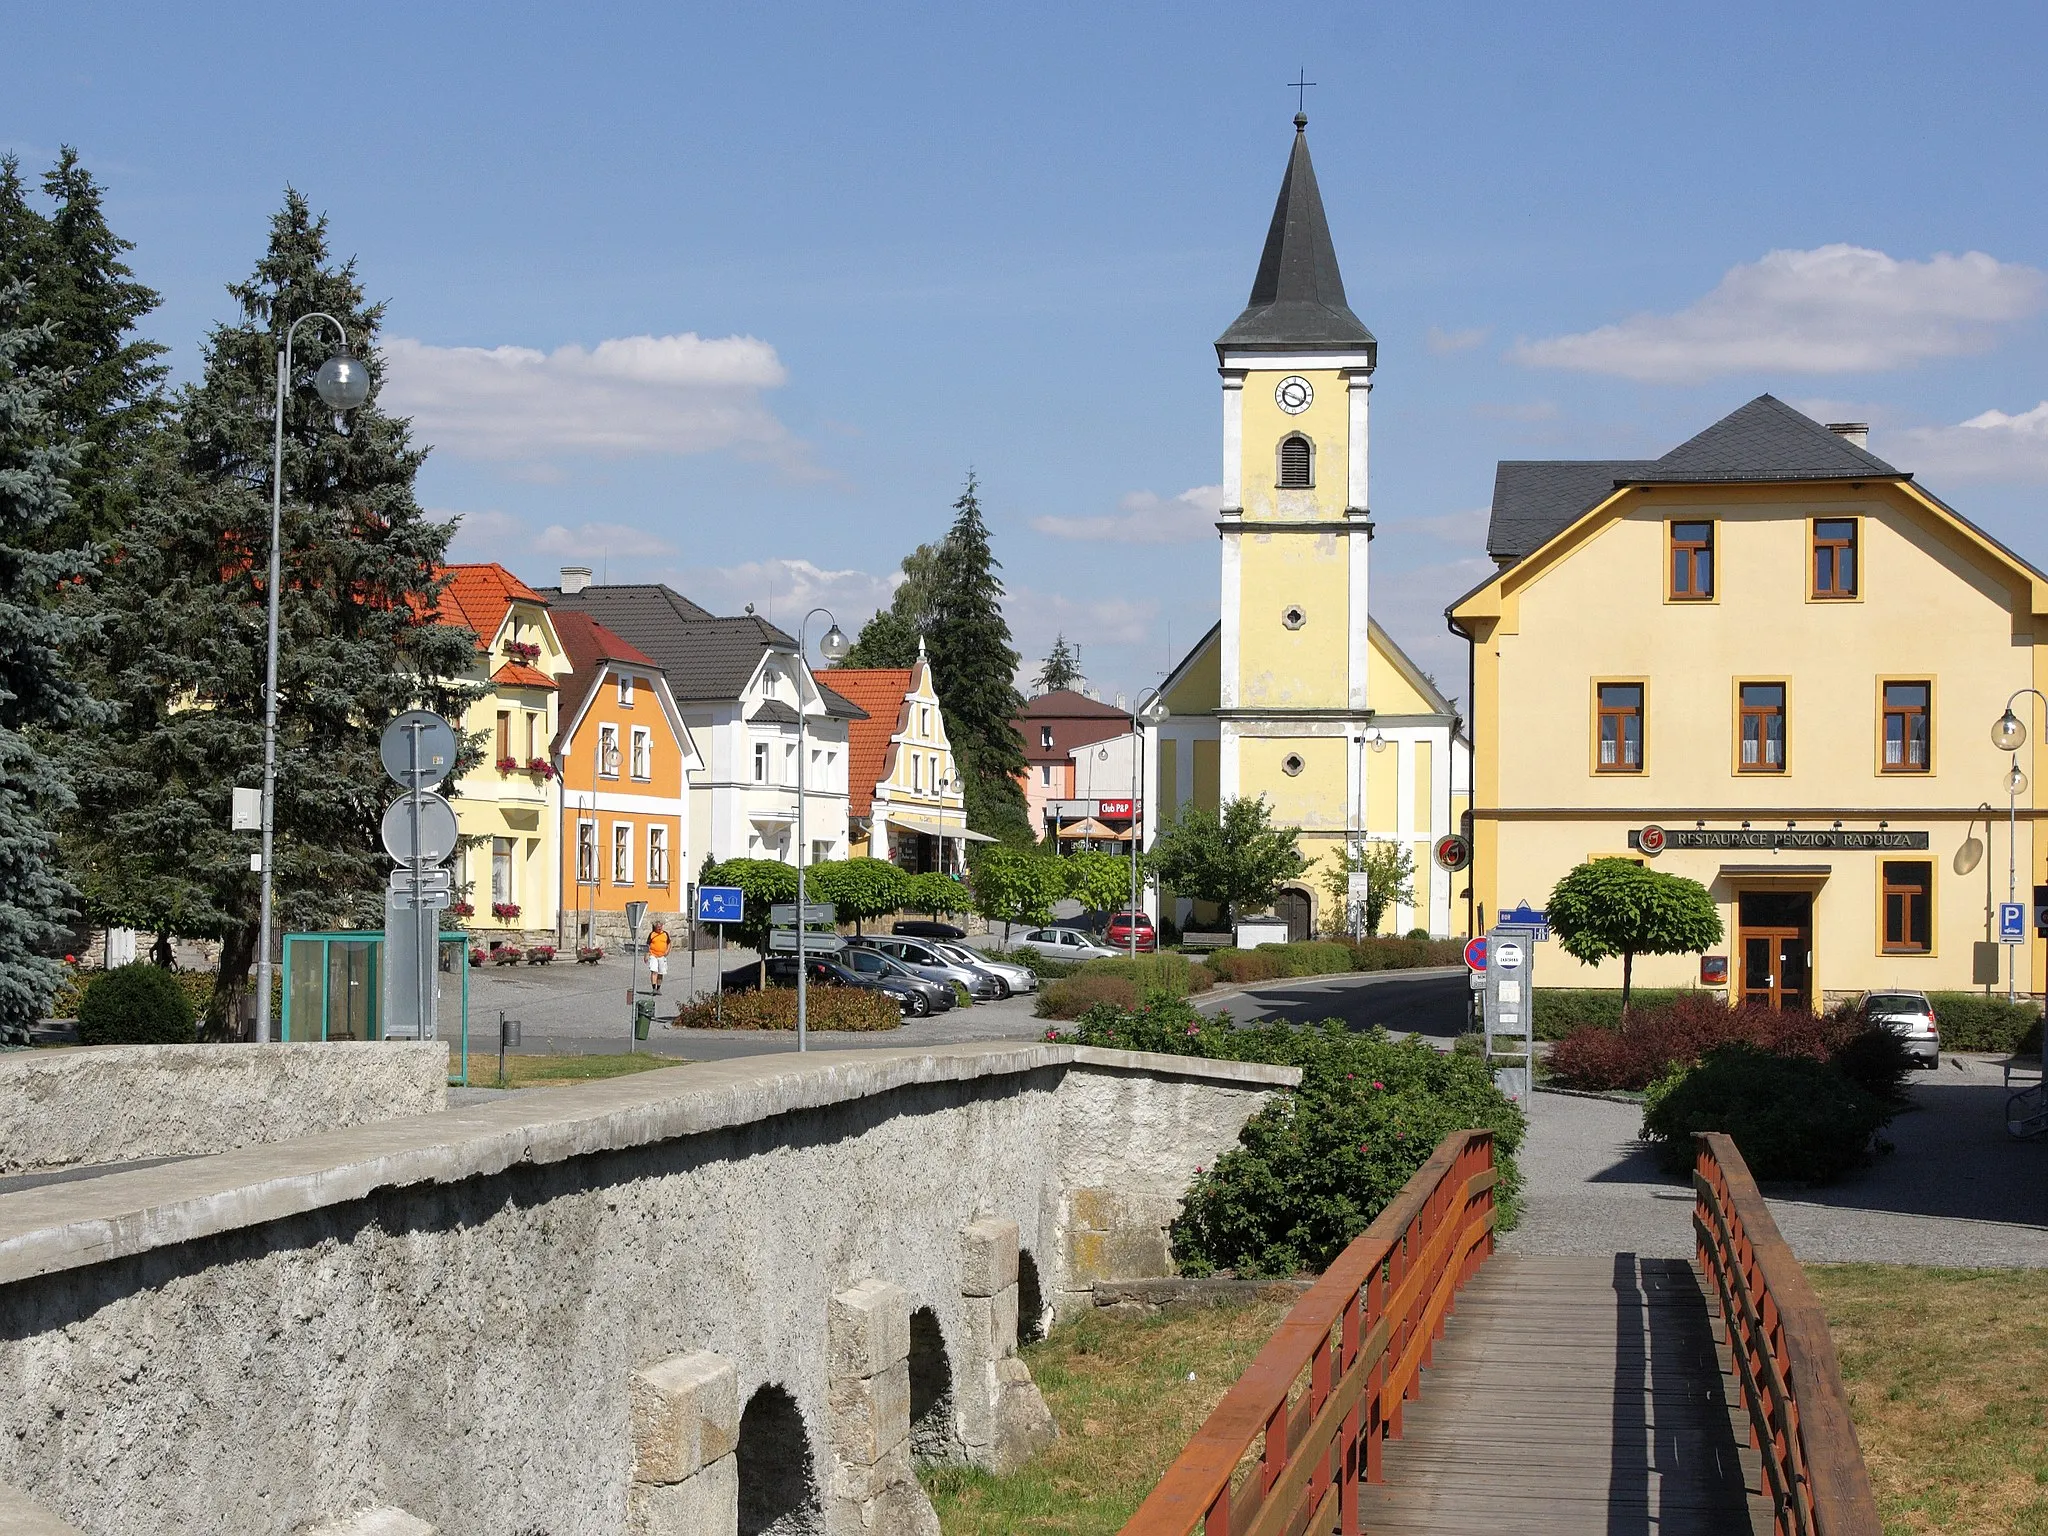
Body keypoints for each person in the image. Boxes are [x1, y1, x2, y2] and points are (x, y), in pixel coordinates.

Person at [647, 920, 670, 994]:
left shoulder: (665, 934)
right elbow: (648, 945)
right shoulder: (652, 934)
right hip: (653, 955)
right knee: (654, 971)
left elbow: (669, 943)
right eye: (658, 927)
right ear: (655, 927)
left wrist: (667, 951)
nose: (659, 928)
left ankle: (658, 988)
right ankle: (653, 988)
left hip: (662, 956)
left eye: (660, 927)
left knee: (661, 972)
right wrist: (647, 954)